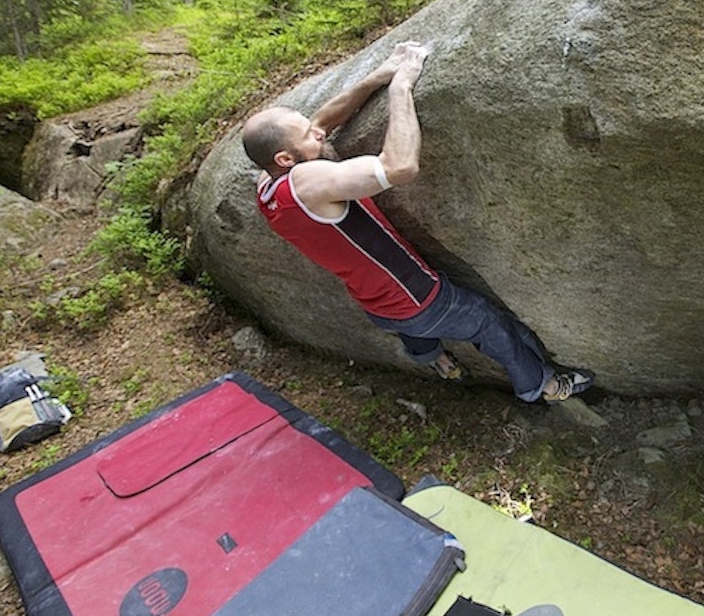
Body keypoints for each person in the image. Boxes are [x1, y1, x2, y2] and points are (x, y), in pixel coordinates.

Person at [241, 41, 594, 403]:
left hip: (375, 304)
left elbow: (320, 122)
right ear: (285, 158)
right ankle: (542, 386)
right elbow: (400, 166)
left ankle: (435, 359)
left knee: (410, 327)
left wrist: (380, 73)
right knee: (490, 323)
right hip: (419, 299)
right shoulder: (307, 183)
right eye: (307, 136)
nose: (318, 132)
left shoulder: (266, 185)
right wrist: (401, 86)